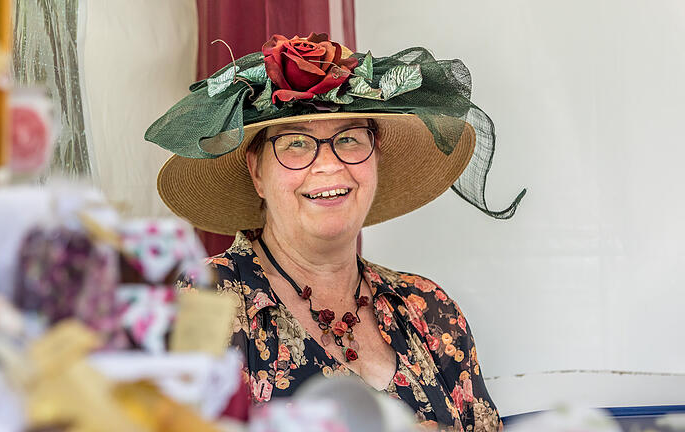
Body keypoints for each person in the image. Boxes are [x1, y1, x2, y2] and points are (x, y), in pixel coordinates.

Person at [146, 33, 525, 431]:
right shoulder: (203, 300)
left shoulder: (429, 310)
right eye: (296, 144)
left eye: (348, 139)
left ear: (375, 157)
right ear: (257, 171)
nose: (329, 165)